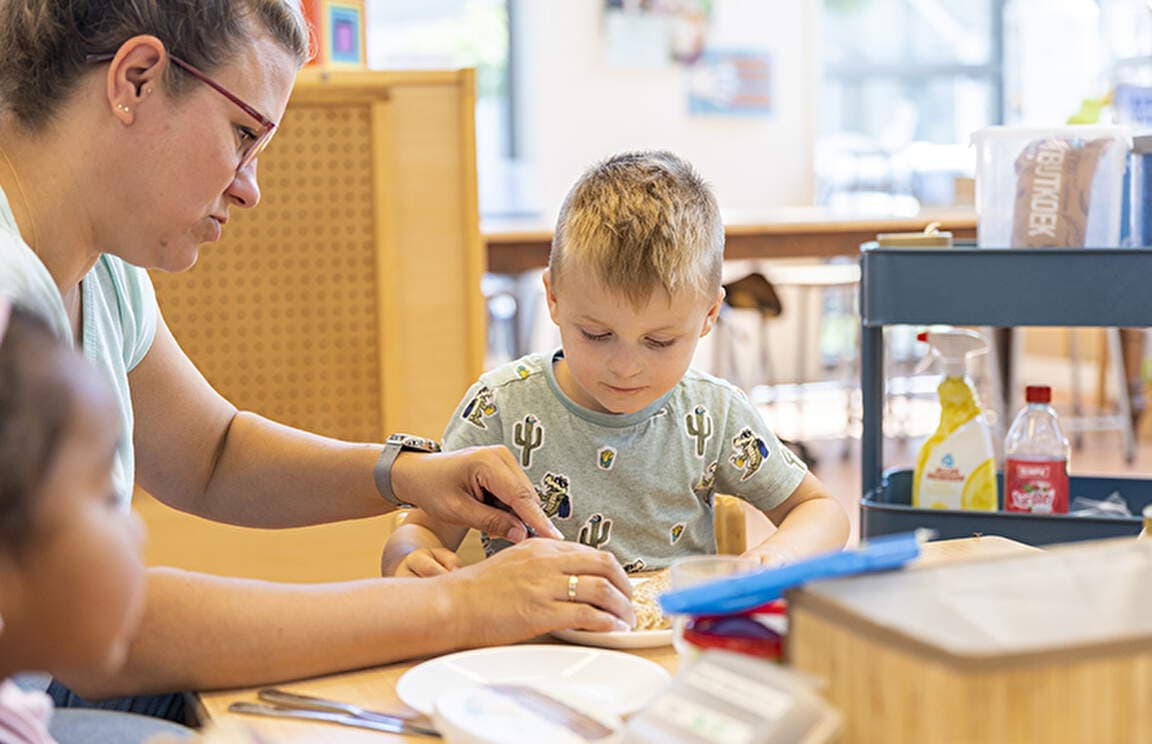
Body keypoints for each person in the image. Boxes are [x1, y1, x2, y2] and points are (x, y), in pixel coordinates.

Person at [0, 0, 634, 720]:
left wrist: (406, 474)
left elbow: (210, 453)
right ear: (137, 79)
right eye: (243, 135)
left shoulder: (103, 270)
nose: (250, 187)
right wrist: (456, 604)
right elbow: (115, 627)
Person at [380, 151, 850, 580]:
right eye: (597, 335)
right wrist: (411, 555)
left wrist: (776, 556)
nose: (626, 367)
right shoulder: (501, 407)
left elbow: (821, 510)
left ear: (708, 315)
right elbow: (421, 529)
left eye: (660, 341)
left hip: (664, 649)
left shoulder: (713, 412)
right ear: (554, 298)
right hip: (533, 650)